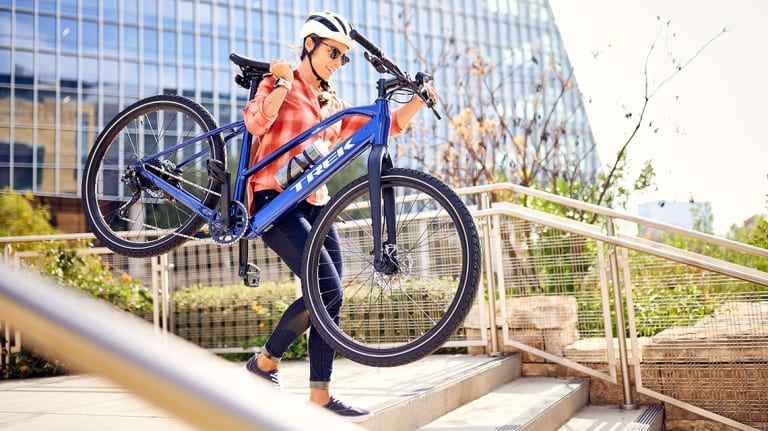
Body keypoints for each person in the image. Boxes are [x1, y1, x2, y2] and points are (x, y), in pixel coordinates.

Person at [241, 11, 437, 421]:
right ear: (309, 45)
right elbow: (256, 121)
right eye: (333, 52)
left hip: (317, 205)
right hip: (274, 201)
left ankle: (317, 395)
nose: (337, 61)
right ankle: (264, 364)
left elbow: (389, 125)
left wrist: (418, 100)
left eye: (344, 57)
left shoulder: (334, 105)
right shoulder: (283, 79)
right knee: (327, 290)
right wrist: (278, 82)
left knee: (331, 299)